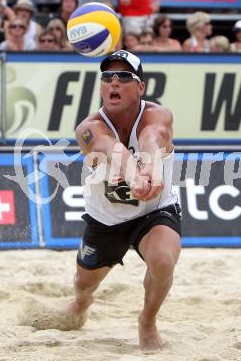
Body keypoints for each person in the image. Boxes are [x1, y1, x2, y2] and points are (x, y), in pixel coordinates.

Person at [63, 50, 181, 351]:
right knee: (84, 284)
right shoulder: (88, 128)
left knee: (163, 261)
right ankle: (80, 304)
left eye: (124, 77)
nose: (114, 82)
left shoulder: (158, 114)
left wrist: (152, 169)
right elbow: (111, 148)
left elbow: (153, 137)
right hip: (106, 219)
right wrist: (136, 176)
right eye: (107, 77)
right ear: (102, 87)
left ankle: (147, 321)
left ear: (140, 87)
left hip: (153, 210)